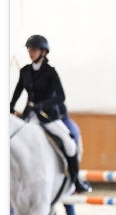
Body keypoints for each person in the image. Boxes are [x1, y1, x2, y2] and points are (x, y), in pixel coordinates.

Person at [10, 34, 90, 194]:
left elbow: (61, 96)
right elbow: (17, 92)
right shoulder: (25, 71)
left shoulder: (50, 72)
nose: (30, 52)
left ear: (43, 52)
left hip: (48, 117)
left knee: (69, 143)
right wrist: (10, 107)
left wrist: (41, 105)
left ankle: (75, 180)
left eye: (34, 49)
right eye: (29, 49)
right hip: (29, 117)